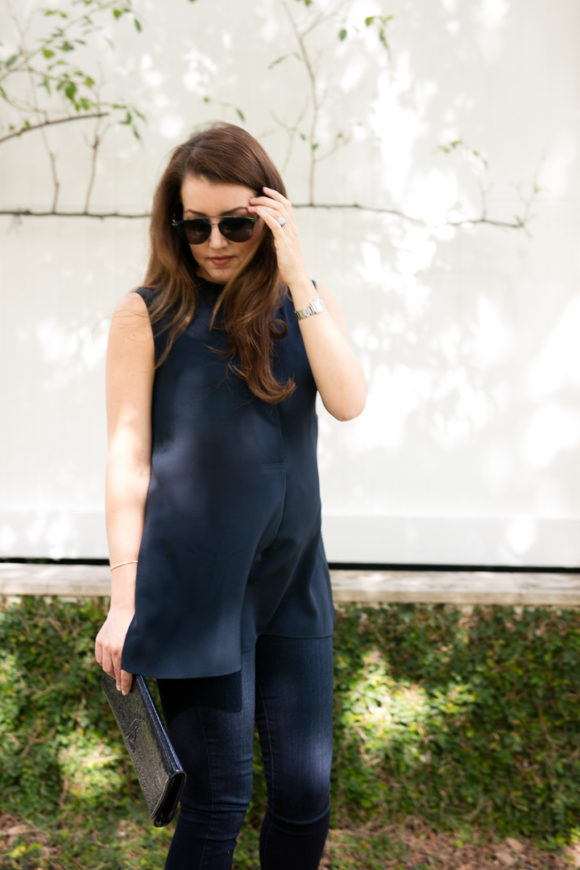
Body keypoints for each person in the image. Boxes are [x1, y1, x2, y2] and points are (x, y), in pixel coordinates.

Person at [94, 122, 366, 869]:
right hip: (193, 590)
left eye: (237, 222)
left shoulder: (305, 307)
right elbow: (128, 456)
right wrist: (124, 598)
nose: (215, 241)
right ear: (173, 227)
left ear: (271, 215)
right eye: (195, 225)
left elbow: (348, 401)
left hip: (292, 585)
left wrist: (299, 275)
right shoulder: (146, 316)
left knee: (306, 795)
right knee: (218, 802)